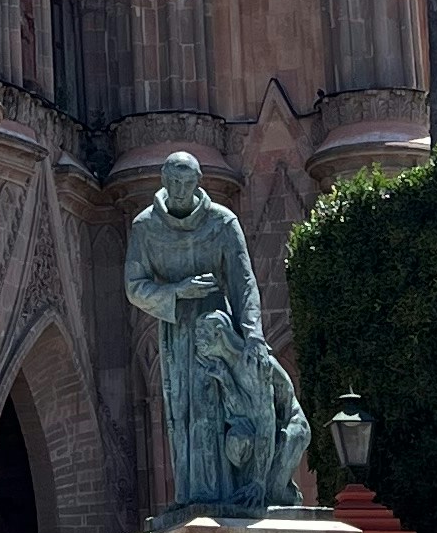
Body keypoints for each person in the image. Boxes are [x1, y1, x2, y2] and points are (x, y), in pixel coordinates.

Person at [123, 150, 308, 511]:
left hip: (218, 327)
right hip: (177, 331)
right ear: (163, 181)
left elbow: (243, 283)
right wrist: (176, 291)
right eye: (173, 181)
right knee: (188, 415)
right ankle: (197, 497)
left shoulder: (222, 223)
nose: (179, 190)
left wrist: (253, 335)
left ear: (197, 183)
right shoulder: (145, 227)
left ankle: (240, 490)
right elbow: (134, 286)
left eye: (186, 182)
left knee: (227, 413)